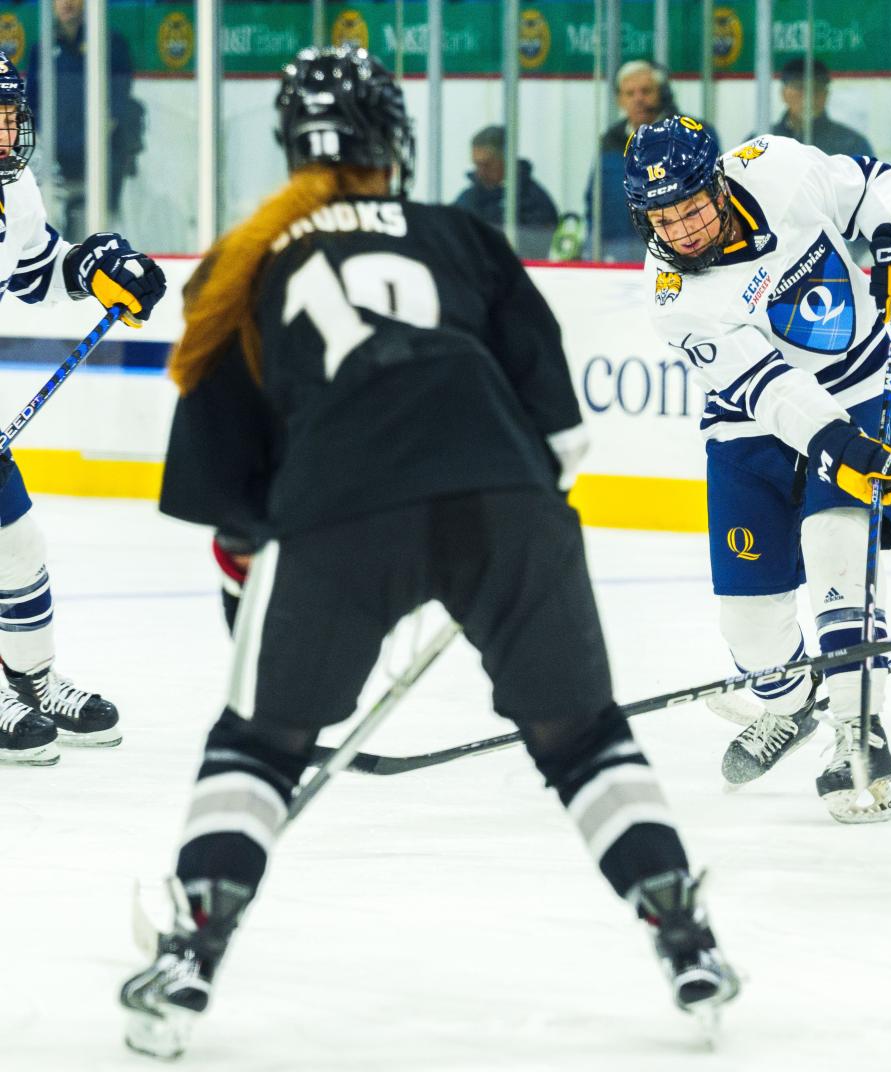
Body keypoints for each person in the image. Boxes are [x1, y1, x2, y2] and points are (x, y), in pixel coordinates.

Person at [118, 48, 737, 1060]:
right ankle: (683, 934)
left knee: (255, 749)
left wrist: (279, 696)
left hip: (335, 511)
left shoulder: (247, 261)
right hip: (509, 501)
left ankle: (191, 948)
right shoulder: (460, 232)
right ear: (391, 142)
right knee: (583, 739)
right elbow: (564, 438)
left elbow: (230, 507)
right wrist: (488, 543)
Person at [624, 116, 891, 823]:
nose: (679, 230)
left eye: (690, 207)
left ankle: (858, 723)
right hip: (753, 426)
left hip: (861, 385)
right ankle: (789, 703)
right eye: (662, 218)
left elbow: (866, 184)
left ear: (718, 183)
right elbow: (767, 388)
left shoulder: (778, 167)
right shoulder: (672, 297)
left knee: (836, 545)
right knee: (751, 628)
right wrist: (831, 440)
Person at [0, 50, 165, 765]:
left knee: (18, 543)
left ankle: (32, 681)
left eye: (10, 119)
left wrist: (91, 268)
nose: (6, 137)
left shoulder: (13, 191)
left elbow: (34, 270)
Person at [23, 0, 144, 238]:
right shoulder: (42, 48)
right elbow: (33, 104)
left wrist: (98, 142)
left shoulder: (110, 44)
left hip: (99, 157)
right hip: (56, 159)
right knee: (52, 229)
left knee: (98, 232)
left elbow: (119, 101)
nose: (66, 3)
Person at [586, 61, 716, 262]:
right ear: (620, 100)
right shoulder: (609, 141)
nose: (638, 99)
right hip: (617, 253)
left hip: (680, 252)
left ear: (662, 93)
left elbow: (714, 192)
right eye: (630, 93)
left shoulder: (690, 135)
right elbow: (594, 200)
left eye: (646, 91)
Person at [453, 124, 559, 261]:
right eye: (476, 164)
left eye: (486, 164)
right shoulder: (467, 198)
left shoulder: (534, 201)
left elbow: (535, 250)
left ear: (506, 159)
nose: (480, 172)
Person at [763, 57, 874, 160]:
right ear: (783, 93)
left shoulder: (852, 144)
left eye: (816, 88)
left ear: (826, 94)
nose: (808, 96)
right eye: (799, 87)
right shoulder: (762, 141)